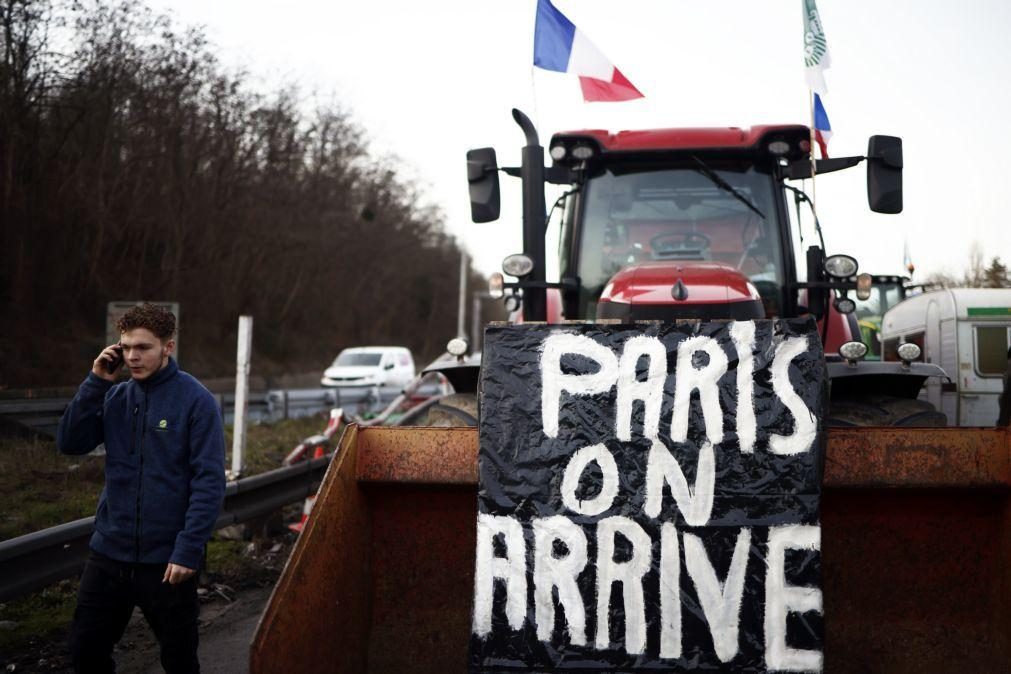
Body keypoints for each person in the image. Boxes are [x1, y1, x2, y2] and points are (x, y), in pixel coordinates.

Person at [57, 303, 226, 673]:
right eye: (126, 347)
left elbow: (209, 480)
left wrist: (188, 550)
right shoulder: (115, 396)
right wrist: (96, 381)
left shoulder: (196, 401)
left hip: (167, 561)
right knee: (85, 653)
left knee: (179, 660)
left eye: (143, 347)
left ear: (168, 346)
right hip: (108, 554)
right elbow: (70, 442)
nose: (132, 357)